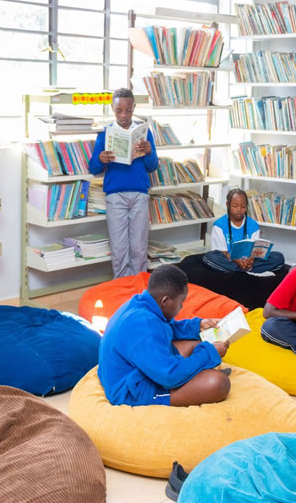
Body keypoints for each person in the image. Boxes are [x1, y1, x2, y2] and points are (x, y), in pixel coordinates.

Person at [98, 265, 231, 407]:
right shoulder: (146, 329)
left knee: (195, 343)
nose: (181, 307)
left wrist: (198, 325)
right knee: (219, 383)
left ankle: (195, 374)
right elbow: (169, 377)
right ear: (165, 301)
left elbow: (167, 328)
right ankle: (193, 380)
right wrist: (210, 354)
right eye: (181, 303)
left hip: (139, 369)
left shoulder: (141, 304)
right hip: (132, 392)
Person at [88, 88, 158, 278]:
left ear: (134, 107)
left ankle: (138, 285)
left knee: (139, 247)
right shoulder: (104, 134)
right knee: (119, 248)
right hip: (115, 195)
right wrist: (100, 159)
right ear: (112, 108)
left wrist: (149, 152)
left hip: (139, 194)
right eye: (119, 111)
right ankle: (120, 286)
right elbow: (93, 168)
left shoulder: (144, 133)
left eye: (128, 110)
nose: (124, 115)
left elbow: (152, 166)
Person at [203, 188, 286, 277]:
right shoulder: (219, 225)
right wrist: (237, 261)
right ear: (227, 205)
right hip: (229, 260)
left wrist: (251, 260)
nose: (239, 209)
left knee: (278, 257)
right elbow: (222, 252)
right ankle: (249, 272)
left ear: (246, 207)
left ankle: (240, 272)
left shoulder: (253, 225)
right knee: (210, 257)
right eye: (235, 206)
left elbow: (255, 251)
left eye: (243, 206)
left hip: (249, 262)